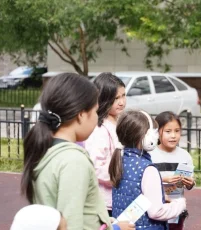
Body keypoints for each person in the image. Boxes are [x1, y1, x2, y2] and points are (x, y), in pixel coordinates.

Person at [21, 73, 134, 230]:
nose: (97, 117)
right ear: (81, 115)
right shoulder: (74, 162)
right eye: (95, 111)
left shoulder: (46, 151)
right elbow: (71, 225)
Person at [109, 110, 186, 229]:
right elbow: (156, 212)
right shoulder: (148, 169)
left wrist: (157, 197)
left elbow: (133, 197)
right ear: (146, 136)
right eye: (154, 132)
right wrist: (179, 204)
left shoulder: (119, 160)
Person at [85, 72, 126, 216]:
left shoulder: (119, 122)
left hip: (119, 196)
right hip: (105, 201)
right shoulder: (99, 130)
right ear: (103, 99)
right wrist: (120, 179)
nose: (121, 102)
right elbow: (96, 167)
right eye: (116, 98)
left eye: (123, 95)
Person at [150, 111, 195, 230]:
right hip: (155, 210)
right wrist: (163, 179)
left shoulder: (185, 156)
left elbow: (188, 183)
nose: (173, 136)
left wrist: (190, 183)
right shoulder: (151, 155)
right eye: (168, 131)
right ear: (158, 132)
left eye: (177, 131)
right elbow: (144, 181)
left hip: (176, 210)